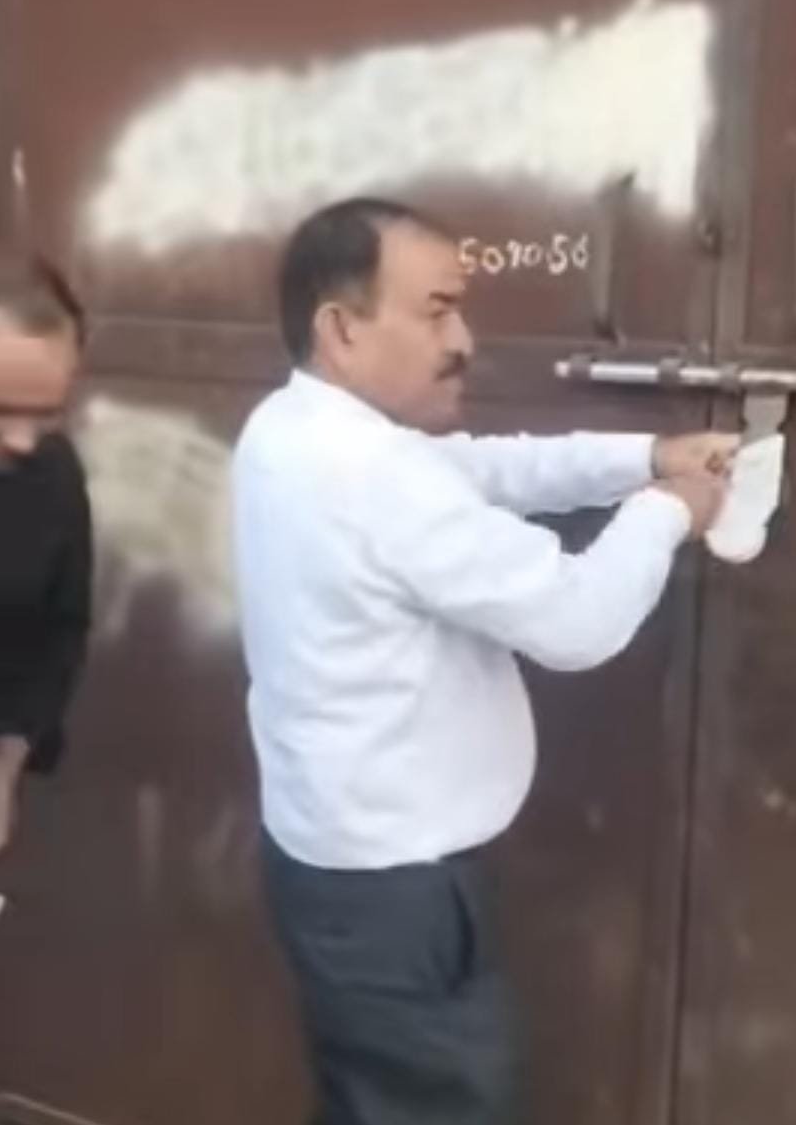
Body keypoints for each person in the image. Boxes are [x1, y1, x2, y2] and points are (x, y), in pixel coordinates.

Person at [231, 197, 736, 1125]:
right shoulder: (370, 476)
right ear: (341, 329)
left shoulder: (292, 429)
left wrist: (645, 455)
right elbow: (576, 619)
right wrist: (671, 509)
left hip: (341, 868)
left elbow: (482, 470)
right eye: (436, 312)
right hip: (397, 892)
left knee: (376, 1101)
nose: (463, 340)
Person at [0, 252, 92, 859]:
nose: (24, 440)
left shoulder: (53, 474)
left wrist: (6, 764)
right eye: (0, 410)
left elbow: (59, 629)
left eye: (48, 413)